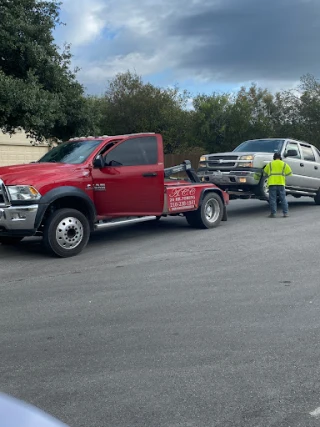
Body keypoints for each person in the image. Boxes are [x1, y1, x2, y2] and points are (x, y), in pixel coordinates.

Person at [263, 152, 293, 218]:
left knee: (272, 199)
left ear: (274, 157)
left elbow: (264, 173)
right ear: (280, 157)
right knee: (283, 198)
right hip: (281, 183)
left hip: (272, 183)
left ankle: (273, 213)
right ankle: (285, 213)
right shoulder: (284, 164)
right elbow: (289, 173)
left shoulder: (270, 164)